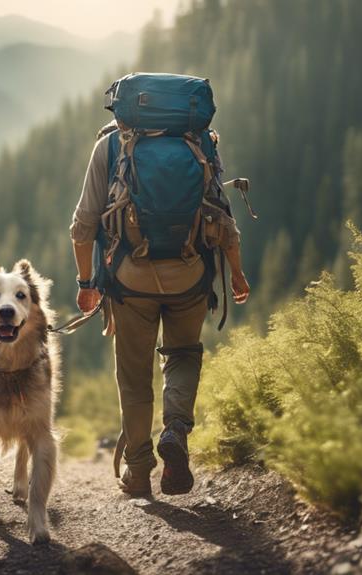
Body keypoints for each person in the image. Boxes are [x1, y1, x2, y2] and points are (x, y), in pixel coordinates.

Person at [70, 128, 250, 497]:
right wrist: (237, 274)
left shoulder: (110, 145)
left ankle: (138, 472)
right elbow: (223, 218)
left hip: (129, 281)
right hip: (190, 276)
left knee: (135, 377)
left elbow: (83, 223)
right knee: (183, 354)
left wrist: (86, 282)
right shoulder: (202, 142)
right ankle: (175, 431)